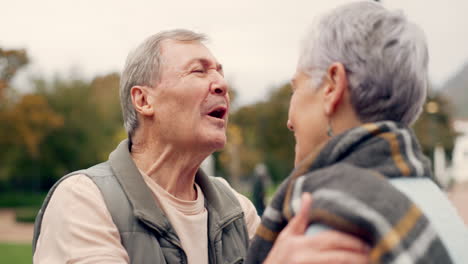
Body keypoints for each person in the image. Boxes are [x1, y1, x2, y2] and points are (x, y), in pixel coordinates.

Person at [32, 29, 369, 263]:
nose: (221, 83)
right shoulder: (84, 200)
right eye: (199, 71)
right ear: (144, 100)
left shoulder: (238, 210)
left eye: (220, 73)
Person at [246, 2, 468, 264]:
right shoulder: (438, 204)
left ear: (332, 85)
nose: (289, 121)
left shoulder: (329, 232)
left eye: (296, 87)